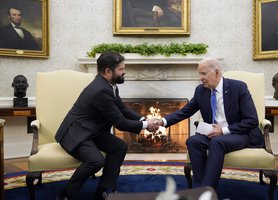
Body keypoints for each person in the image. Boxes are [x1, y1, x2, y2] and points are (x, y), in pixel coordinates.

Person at [55, 52, 159, 200]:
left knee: (119, 146)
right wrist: (146, 125)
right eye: (121, 69)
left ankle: (104, 189)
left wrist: (144, 119)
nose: (124, 72)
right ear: (108, 71)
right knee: (95, 161)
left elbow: (122, 109)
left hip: (92, 131)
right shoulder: (101, 90)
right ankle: (66, 194)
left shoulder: (109, 85)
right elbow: (120, 123)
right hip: (75, 133)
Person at [155, 57, 264, 189]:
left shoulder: (238, 87)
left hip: (238, 133)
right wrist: (162, 121)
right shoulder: (201, 90)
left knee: (217, 142)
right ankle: (200, 187)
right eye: (199, 74)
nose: (200, 78)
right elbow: (185, 112)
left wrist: (223, 130)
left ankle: (208, 191)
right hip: (213, 134)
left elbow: (252, 120)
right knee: (193, 141)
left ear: (216, 72)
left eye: (203, 73)